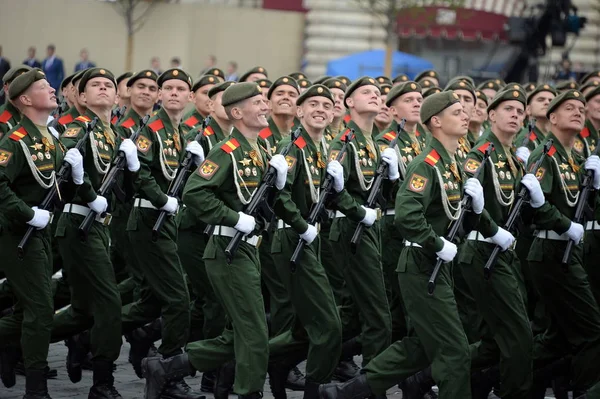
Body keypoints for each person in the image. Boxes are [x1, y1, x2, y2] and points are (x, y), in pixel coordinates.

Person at [319, 90, 484, 399]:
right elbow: (407, 216)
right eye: (457, 112)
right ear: (436, 122)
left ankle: (346, 392)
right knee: (455, 350)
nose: (465, 116)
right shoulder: (426, 164)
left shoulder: (450, 162)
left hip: (437, 263)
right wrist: (436, 244)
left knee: (420, 346)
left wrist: (478, 212)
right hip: (423, 263)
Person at [142, 82, 289, 399]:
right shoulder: (226, 151)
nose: (266, 106)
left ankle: (166, 369)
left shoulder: (259, 149)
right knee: (254, 332)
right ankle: (249, 392)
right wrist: (234, 218)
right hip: (227, 250)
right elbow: (195, 192)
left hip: (247, 250)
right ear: (237, 112)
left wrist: (276, 184)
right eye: (258, 102)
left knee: (239, 331)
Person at [51, 67, 139, 399]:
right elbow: (65, 163)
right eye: (95, 86)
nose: (103, 89)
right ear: (82, 97)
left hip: (100, 227)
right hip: (78, 224)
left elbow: (125, 193)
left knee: (82, 309)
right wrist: (89, 193)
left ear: (117, 97)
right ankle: (103, 381)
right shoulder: (79, 127)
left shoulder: (114, 134)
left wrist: (131, 167)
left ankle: (16, 343)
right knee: (109, 302)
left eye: (108, 85)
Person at [120, 68, 205, 399]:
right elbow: (139, 175)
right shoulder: (152, 129)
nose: (172, 93)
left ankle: (95, 332)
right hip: (147, 217)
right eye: (166, 88)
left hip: (168, 218)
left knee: (151, 303)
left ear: (189, 96)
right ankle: (169, 372)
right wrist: (162, 200)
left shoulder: (182, 133)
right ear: (158, 96)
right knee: (178, 299)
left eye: (179, 88)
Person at [0, 67, 81, 398]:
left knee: (26, 308)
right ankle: (35, 387)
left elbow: (60, 195)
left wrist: (75, 177)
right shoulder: (14, 141)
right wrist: (27, 213)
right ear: (24, 99)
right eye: (44, 87)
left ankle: (9, 350)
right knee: (40, 308)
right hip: (19, 234)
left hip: (42, 233)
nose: (52, 91)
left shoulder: (52, 138)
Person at [524, 89, 600, 395]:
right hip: (552, 250)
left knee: (557, 335)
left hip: (568, 250)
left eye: (581, 108)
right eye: (569, 108)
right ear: (552, 117)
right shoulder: (545, 154)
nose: (578, 112)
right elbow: (534, 204)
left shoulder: (576, 157)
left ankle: (515, 377)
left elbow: (584, 205)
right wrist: (564, 224)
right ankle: (584, 390)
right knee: (593, 331)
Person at [459, 88, 533, 398]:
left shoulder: (512, 157)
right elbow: (468, 208)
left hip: (504, 251)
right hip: (482, 249)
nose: (516, 115)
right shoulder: (480, 154)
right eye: (509, 109)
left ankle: (428, 375)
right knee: (519, 335)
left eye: (520, 111)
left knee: (494, 338)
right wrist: (494, 231)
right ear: (491, 115)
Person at [327, 76, 395, 368]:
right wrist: (358, 212)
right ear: (349, 103)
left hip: (369, 228)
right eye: (366, 92)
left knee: (356, 311)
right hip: (351, 228)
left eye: (378, 93)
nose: (375, 96)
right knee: (378, 315)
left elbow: (382, 195)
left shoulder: (373, 144)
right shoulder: (344, 141)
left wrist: (392, 178)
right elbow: (332, 191)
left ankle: (333, 363)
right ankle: (372, 382)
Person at [0, 65, 32, 136]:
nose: (23, 90)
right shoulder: (2, 119)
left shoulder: (35, 115)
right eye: (17, 86)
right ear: (6, 89)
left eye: (28, 85)